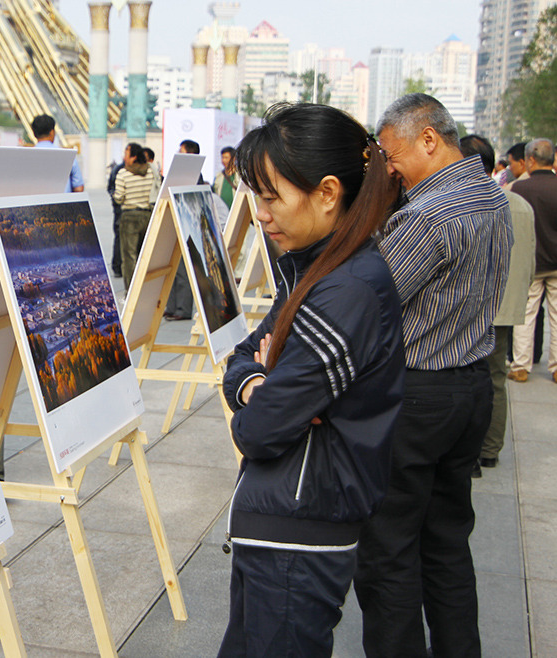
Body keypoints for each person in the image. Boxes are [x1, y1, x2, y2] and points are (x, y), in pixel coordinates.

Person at [218, 103, 405, 657]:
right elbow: (242, 359)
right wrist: (258, 381)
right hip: (282, 521)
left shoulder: (344, 289)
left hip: (298, 532)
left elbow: (257, 431)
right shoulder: (318, 266)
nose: (262, 213)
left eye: (272, 196)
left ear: (327, 192)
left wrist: (260, 391)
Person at [354, 94, 512, 658]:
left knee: (389, 552)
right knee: (446, 544)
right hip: (469, 388)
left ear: (428, 139)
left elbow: (371, 300)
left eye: (392, 156)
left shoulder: (430, 213)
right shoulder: (491, 195)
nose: (389, 168)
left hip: (417, 395)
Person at [458, 135, 535, 477]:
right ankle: (489, 450)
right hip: (505, 305)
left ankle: (471, 452)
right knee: (496, 378)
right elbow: (529, 259)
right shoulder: (518, 203)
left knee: (470, 377)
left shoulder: (466, 203)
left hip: (474, 306)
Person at [509, 137, 557, 384]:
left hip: (532, 263)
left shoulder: (519, 189)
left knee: (526, 315)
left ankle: (520, 366)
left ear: (530, 160)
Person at [164, 139, 202, 320]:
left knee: (182, 271)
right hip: (173, 225)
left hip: (186, 228)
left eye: (182, 151)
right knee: (171, 270)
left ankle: (182, 308)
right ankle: (171, 306)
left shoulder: (194, 175)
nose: (178, 154)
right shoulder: (181, 173)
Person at [114, 142, 156, 289]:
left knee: (129, 256)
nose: (124, 157)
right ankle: (145, 289)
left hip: (130, 217)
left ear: (133, 157)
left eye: (126, 154)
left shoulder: (123, 173)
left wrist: (115, 196)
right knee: (145, 255)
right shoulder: (150, 171)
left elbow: (119, 197)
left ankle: (131, 291)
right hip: (147, 216)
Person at [31, 114, 84, 193]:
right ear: (52, 132)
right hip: (62, 203)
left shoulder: (25, 157)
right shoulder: (68, 156)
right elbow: (79, 188)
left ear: (34, 134)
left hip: (34, 203)